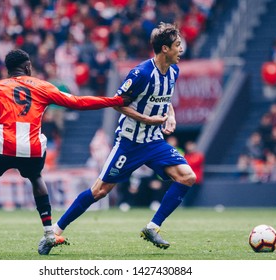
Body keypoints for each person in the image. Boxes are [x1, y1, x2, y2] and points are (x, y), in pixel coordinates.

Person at [0, 49, 132, 255]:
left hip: (3, 147)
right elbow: (78, 102)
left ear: (8, 70)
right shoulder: (42, 86)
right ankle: (50, 232)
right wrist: (115, 101)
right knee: (36, 178)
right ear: (27, 66)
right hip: (32, 149)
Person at [52, 22, 196, 250]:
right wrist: (149, 120)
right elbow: (118, 104)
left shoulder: (174, 71)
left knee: (187, 177)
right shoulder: (141, 73)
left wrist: (171, 115)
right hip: (129, 143)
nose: (181, 49)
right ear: (165, 49)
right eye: (177, 45)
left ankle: (153, 227)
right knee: (99, 191)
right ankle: (54, 231)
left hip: (154, 141)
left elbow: (165, 99)